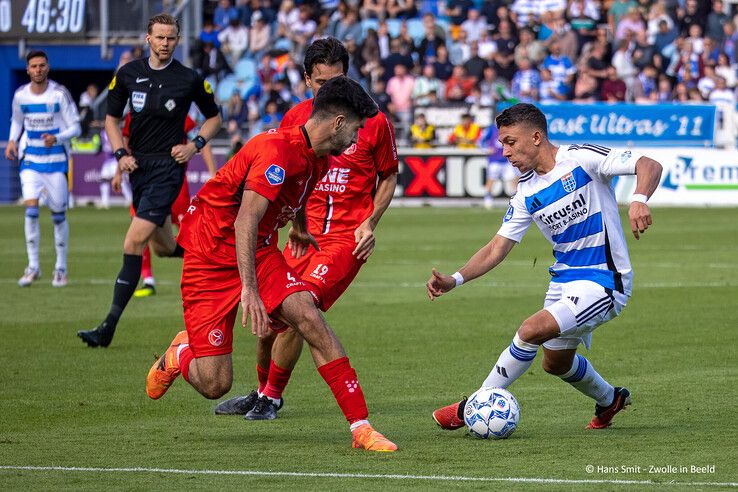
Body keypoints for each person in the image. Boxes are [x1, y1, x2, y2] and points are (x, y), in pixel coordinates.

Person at [145, 76, 397, 452]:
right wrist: (249, 289)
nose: (359, 138)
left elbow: (295, 196)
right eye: (358, 128)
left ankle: (361, 428)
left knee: (308, 316)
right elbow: (245, 219)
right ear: (340, 123)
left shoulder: (321, 158)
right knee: (216, 384)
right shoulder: (276, 152)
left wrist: (299, 228)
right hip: (210, 255)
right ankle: (180, 355)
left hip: (258, 249)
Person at [428, 103, 662, 432]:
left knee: (530, 331)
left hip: (604, 280)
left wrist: (639, 198)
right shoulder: (526, 192)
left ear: (536, 137)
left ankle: (472, 405)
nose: (504, 151)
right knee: (555, 363)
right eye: (502, 144)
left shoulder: (581, 158)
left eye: (510, 142)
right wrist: (455, 279)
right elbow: (497, 247)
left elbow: (648, 164)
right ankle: (611, 400)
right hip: (564, 282)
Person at [213, 37, 399, 421]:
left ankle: (272, 398)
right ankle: (262, 391)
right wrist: (295, 226)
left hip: (346, 240)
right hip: (303, 238)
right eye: (321, 82)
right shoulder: (295, 119)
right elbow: (291, 182)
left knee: (303, 307)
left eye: (338, 79)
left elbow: (388, 176)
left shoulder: (373, 121)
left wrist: (370, 221)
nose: (331, 90)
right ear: (306, 81)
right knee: (269, 320)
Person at [77, 13, 222, 348]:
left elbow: (215, 118)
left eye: (171, 38)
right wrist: (119, 156)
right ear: (148, 38)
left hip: (168, 170)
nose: (165, 43)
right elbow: (112, 120)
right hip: (138, 170)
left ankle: (107, 327)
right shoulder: (128, 74)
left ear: (177, 40)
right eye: (159, 37)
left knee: (132, 242)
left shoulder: (188, 78)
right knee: (163, 246)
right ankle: (216, 256)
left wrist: (194, 145)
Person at [6, 50, 81, 288]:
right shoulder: (21, 96)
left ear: (47, 67)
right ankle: (33, 266)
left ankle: (60, 268)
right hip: (31, 161)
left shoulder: (59, 94)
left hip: (56, 161)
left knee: (58, 215)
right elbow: (17, 120)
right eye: (33, 66)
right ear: (28, 70)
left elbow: (76, 128)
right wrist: (11, 141)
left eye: (41, 65)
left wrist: (57, 138)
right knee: (30, 209)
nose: (38, 70)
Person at [126, 113, 218, 297]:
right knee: (140, 231)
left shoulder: (178, 110)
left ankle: (205, 272)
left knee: (187, 232)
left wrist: (213, 172)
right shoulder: (134, 113)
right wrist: (118, 172)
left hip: (174, 185)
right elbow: (126, 143)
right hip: (146, 185)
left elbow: (202, 140)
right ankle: (148, 280)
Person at [480, 123, 518, 209]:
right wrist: (486, 149)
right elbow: (480, 140)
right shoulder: (491, 129)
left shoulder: (509, 128)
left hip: (507, 159)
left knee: (513, 179)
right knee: (491, 179)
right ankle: (488, 198)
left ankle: (516, 200)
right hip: (494, 160)